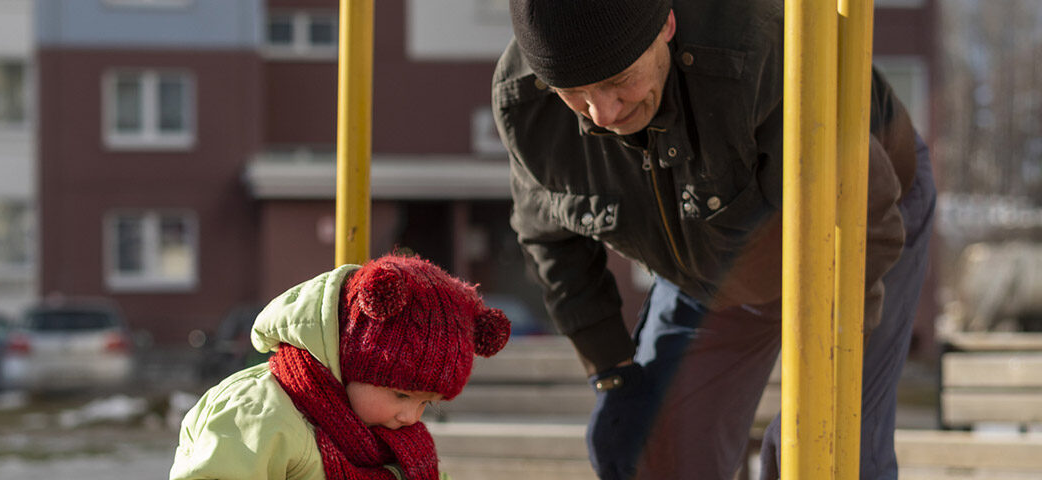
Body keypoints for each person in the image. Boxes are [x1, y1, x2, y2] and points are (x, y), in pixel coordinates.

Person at [492, 0, 936, 478]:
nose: (602, 113)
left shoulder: (757, 49)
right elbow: (552, 240)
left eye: (617, 81)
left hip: (858, 227)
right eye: (574, 93)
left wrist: (821, 390)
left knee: (829, 458)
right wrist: (612, 371)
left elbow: (865, 227)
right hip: (709, 259)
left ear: (666, 23)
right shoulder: (527, 103)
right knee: (649, 448)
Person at [169, 254, 512, 480]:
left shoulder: (398, 441)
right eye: (402, 394)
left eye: (427, 403)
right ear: (352, 359)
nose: (411, 416)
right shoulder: (258, 412)